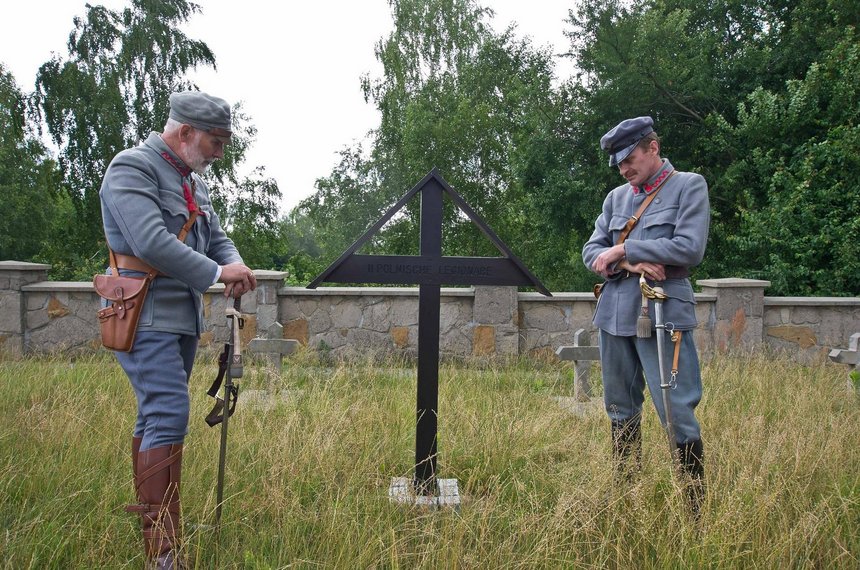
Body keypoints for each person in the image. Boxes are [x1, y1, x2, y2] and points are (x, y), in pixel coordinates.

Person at [99, 90, 257, 568]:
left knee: (154, 417)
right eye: (216, 140)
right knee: (168, 412)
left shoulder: (193, 182)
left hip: (180, 315)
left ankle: (159, 542)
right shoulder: (133, 168)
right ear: (185, 131)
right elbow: (149, 240)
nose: (219, 152)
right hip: (143, 314)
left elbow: (217, 236)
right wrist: (215, 274)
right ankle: (165, 553)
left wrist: (234, 261)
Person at [582, 116, 709, 514]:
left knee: (676, 409)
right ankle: (627, 494)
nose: (625, 169)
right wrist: (630, 262)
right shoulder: (616, 199)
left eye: (630, 159)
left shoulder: (689, 186)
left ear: (652, 148)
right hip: (615, 316)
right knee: (619, 408)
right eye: (619, 164)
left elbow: (689, 248)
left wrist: (623, 251)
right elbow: (591, 253)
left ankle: (694, 507)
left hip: (663, 312)